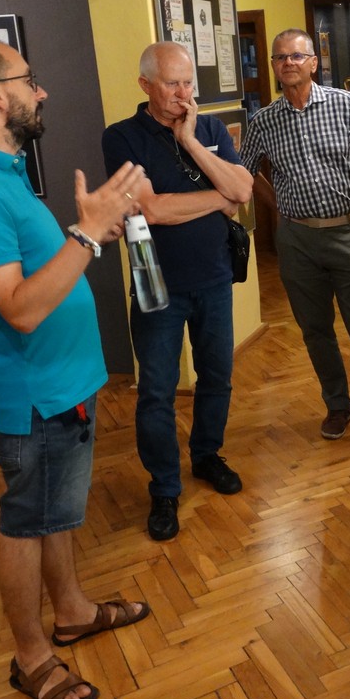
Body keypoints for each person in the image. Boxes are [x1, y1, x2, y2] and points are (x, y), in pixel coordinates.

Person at [0, 40, 150, 699]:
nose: (41, 91)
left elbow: (37, 271)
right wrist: (87, 234)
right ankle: (30, 658)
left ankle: (72, 611)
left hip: (64, 384)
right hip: (36, 395)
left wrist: (92, 231)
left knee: (54, 514)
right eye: (29, 80)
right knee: (26, 522)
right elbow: (19, 309)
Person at [102, 42, 254, 542]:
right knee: (156, 392)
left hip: (213, 276)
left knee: (217, 377)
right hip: (155, 280)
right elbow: (153, 209)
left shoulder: (208, 129)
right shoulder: (121, 137)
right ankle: (164, 487)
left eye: (188, 83)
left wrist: (190, 141)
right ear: (145, 84)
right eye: (172, 84)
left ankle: (206, 455)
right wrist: (219, 197)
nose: (183, 93)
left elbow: (244, 191)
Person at [238, 29, 350, 440]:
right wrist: (278, 206)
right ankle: (337, 405)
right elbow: (244, 172)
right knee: (315, 330)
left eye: (297, 56)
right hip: (297, 241)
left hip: (347, 233)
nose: (288, 63)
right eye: (280, 57)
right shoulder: (264, 121)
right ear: (273, 66)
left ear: (314, 63)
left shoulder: (344, 104)